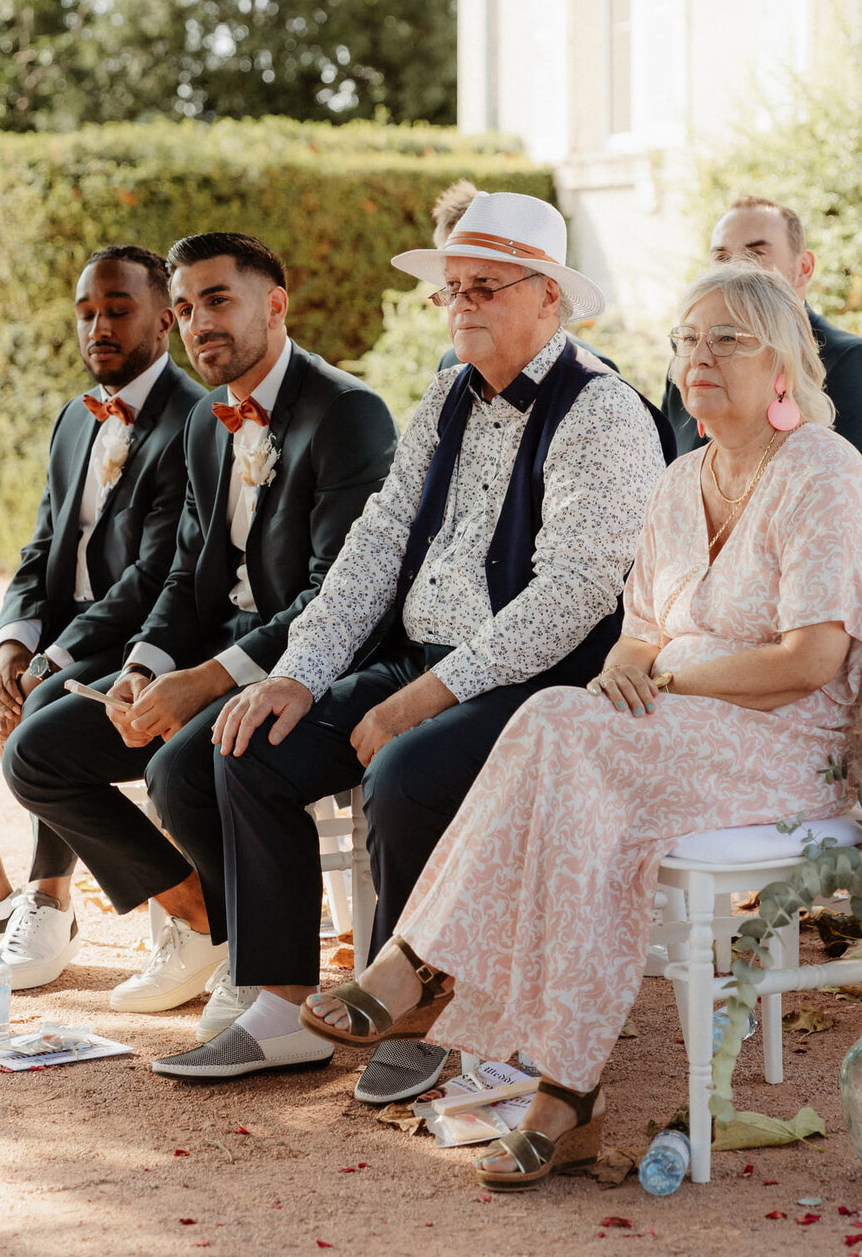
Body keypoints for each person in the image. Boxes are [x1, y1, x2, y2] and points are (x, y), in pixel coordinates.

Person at [305, 262, 862, 1190]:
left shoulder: (821, 467)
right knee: (565, 748)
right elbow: (640, 629)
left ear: (784, 365)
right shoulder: (682, 473)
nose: (699, 358)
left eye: (726, 339)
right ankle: (557, 1094)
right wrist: (623, 667)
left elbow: (811, 662)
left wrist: (669, 678)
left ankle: (426, 973)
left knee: (560, 736)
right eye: (687, 340)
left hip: (789, 743)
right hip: (675, 732)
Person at [144, 191, 671, 1103]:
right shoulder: (449, 392)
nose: (462, 305)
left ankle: (424, 1009)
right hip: (422, 657)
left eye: (486, 289)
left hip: (545, 679)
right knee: (248, 743)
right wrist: (300, 673)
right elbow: (378, 544)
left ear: (549, 297)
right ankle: (279, 1004)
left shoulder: (604, 413)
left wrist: (427, 696)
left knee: (406, 771)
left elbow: (573, 595)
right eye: (453, 289)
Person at [1, 232, 398, 1016]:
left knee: (181, 767)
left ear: (275, 304)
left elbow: (338, 597)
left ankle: (258, 966)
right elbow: (187, 577)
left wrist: (207, 682)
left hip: (317, 660)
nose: (197, 323)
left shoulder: (347, 412)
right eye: (184, 308)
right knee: (35, 751)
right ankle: (205, 921)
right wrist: (146, 668)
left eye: (217, 300)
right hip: (221, 643)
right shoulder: (207, 419)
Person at [0, 246, 204, 984]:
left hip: (134, 636)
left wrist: (47, 661)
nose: (99, 326)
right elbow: (42, 545)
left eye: (118, 310)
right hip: (57, 626)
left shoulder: (196, 421)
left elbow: (155, 577)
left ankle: (50, 900)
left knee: (43, 706)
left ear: (163, 318)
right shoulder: (73, 417)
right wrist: (10, 647)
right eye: (87, 313)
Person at [662, 195, 862, 464]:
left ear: (804, 268)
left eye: (756, 254)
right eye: (722, 257)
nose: (738, 268)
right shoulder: (690, 359)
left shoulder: (854, 360)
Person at [432, 178, 618, 376]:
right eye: (452, 283)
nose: (460, 302)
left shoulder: (595, 380)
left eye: (483, 282)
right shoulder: (450, 375)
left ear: (547, 296)